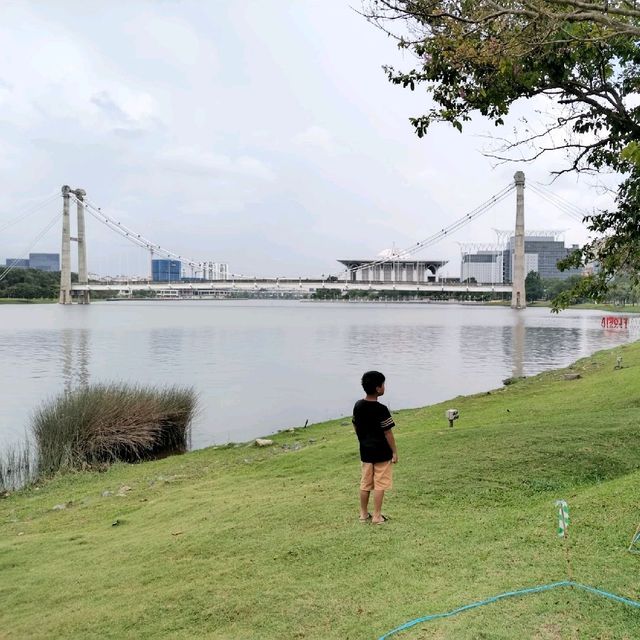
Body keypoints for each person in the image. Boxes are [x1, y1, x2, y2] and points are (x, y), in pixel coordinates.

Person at [352, 370, 397, 524]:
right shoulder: (381, 409)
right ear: (378, 388)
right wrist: (394, 452)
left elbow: (355, 425)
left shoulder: (358, 405)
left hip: (365, 452)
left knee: (365, 483)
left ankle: (363, 514)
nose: (384, 387)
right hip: (382, 453)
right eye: (383, 384)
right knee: (380, 484)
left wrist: (362, 440)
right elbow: (388, 433)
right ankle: (377, 516)